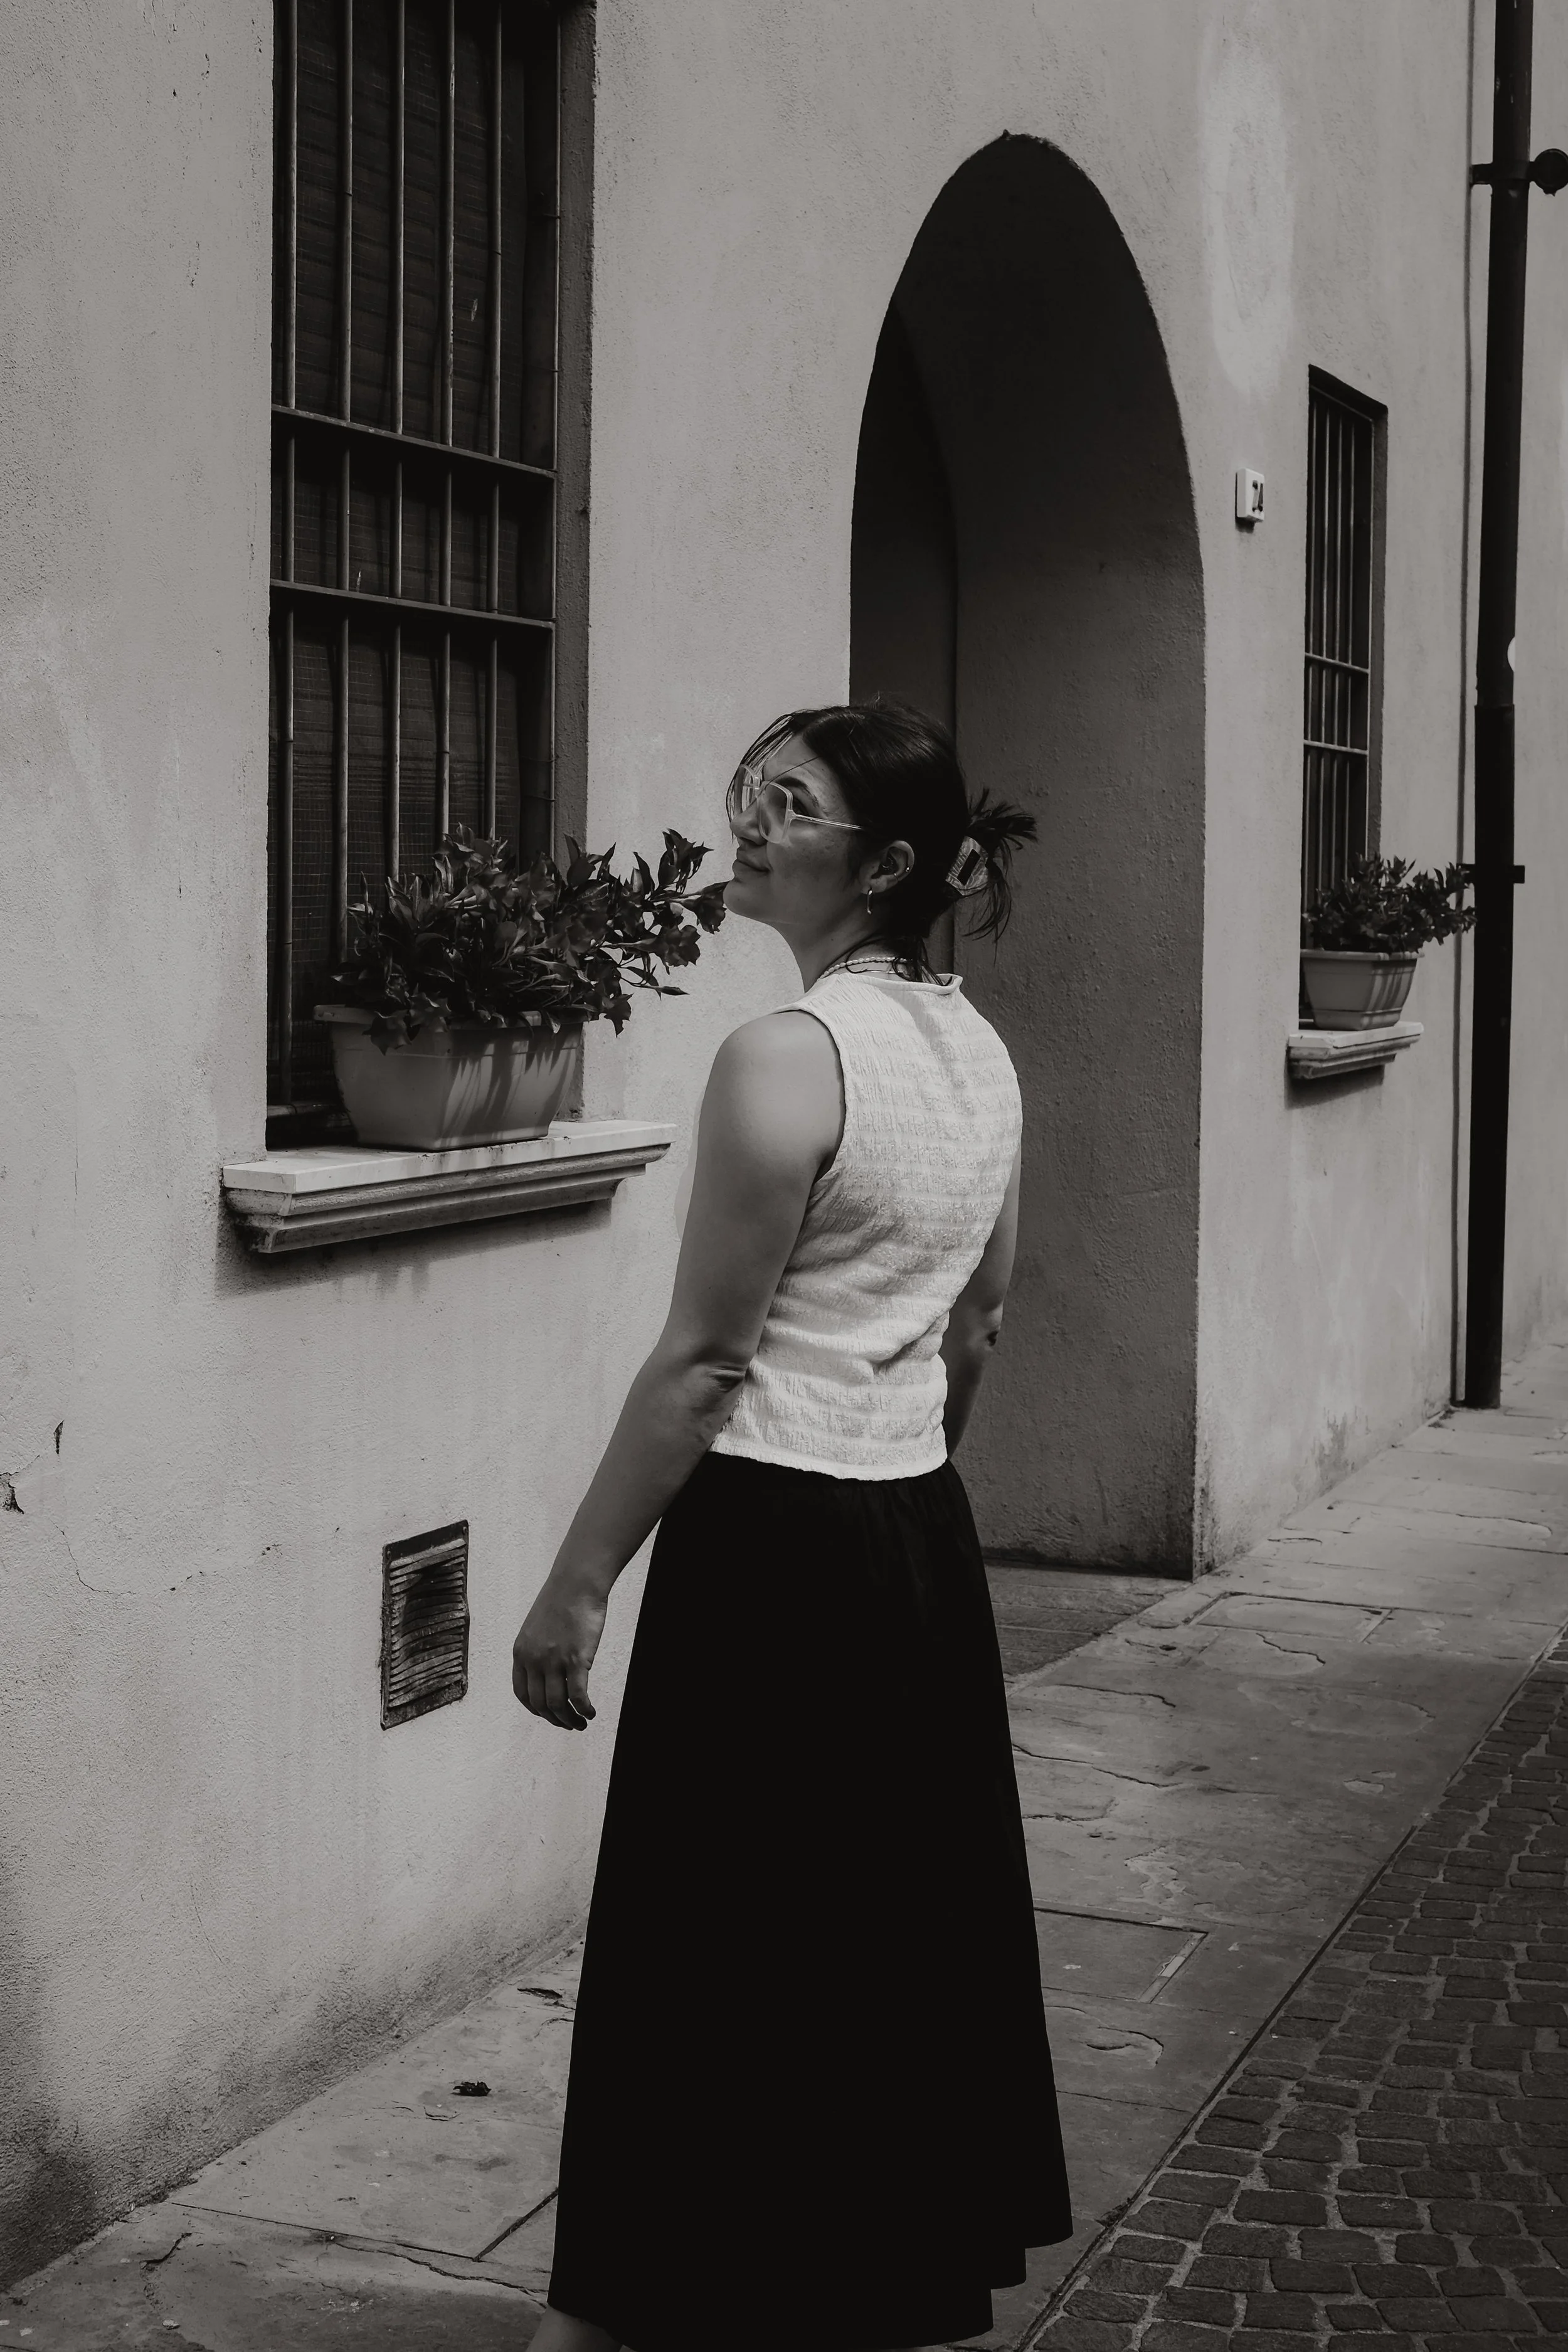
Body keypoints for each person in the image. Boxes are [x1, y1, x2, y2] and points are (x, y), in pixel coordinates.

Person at [512, 701, 1072, 2352]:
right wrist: (902, 1462)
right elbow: (983, 1317)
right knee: (879, 1943)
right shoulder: (980, 1053)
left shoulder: (786, 1054)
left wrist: (576, 1580)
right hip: (911, 1537)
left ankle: (612, 2315)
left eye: (790, 806)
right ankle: (858, 2288)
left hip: (768, 1541)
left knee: (707, 1943)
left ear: (885, 862)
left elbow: (702, 1362)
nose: (749, 829)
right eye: (748, 795)